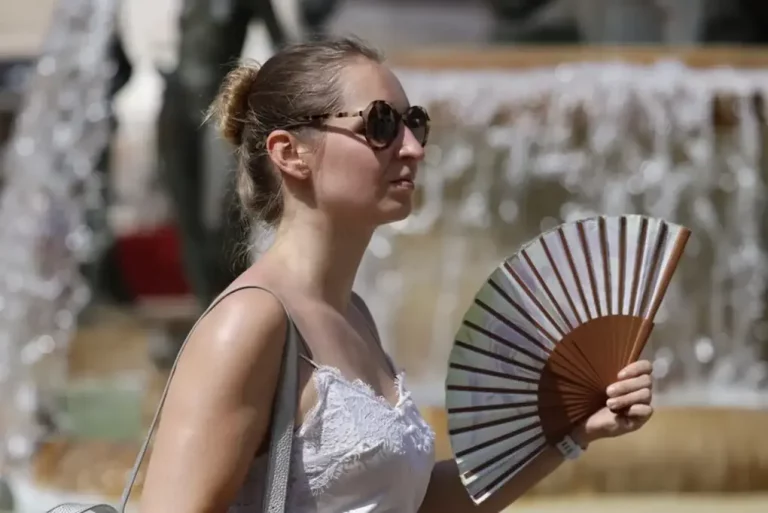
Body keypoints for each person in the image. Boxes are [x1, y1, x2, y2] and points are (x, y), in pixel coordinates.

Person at [138, 37, 656, 513]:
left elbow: (413, 504)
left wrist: (568, 433)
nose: (413, 147)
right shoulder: (251, 321)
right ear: (289, 153)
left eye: (417, 123)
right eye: (381, 124)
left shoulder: (354, 313)